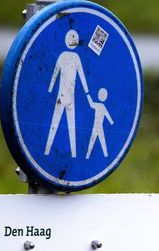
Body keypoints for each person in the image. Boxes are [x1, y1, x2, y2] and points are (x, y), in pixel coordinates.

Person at [44, 30, 89, 158]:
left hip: (68, 96)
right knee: (60, 123)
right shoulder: (69, 56)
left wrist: (87, 92)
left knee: (69, 124)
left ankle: (73, 154)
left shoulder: (71, 57)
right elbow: (56, 73)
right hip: (63, 95)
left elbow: (81, 76)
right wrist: (50, 88)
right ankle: (48, 151)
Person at [86, 88, 114, 159]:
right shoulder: (100, 105)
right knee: (96, 140)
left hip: (99, 126)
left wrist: (88, 95)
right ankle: (88, 155)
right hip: (96, 126)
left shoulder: (101, 106)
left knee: (99, 140)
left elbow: (107, 115)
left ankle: (103, 154)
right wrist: (88, 96)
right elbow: (91, 104)